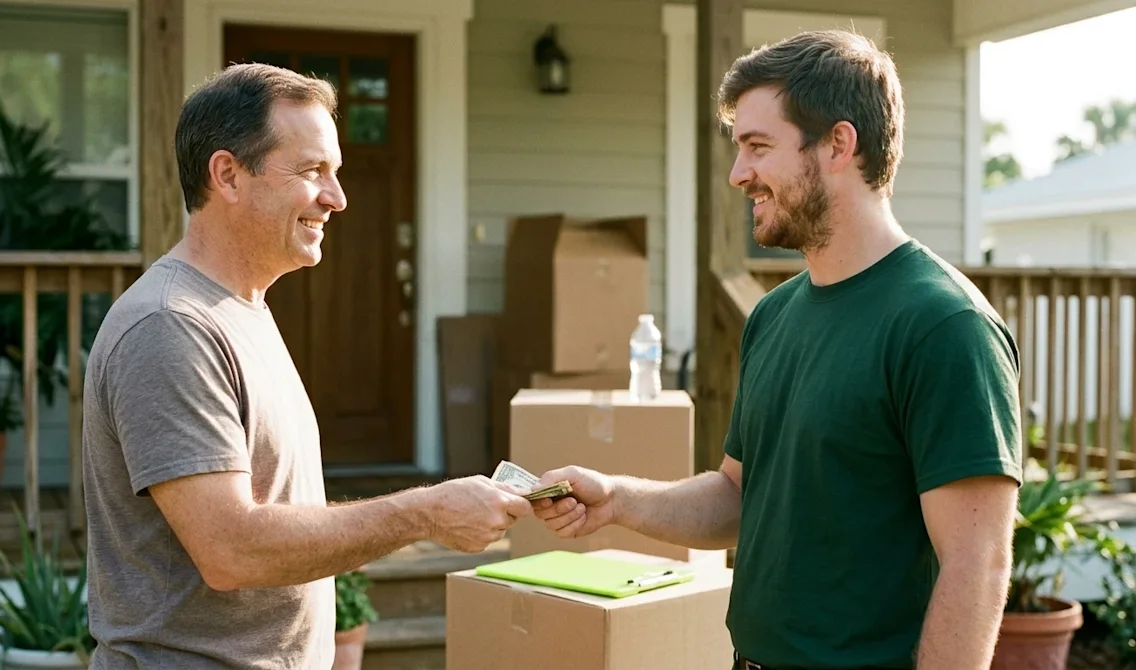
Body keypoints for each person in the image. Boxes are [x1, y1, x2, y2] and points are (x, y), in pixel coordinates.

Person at [532, 30, 1022, 670]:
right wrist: (617, 500)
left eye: (758, 147)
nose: (739, 174)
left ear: (839, 145)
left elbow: (976, 564)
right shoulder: (773, 315)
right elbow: (740, 496)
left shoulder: (943, 326)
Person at [81, 63, 531, 669]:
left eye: (336, 172)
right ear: (227, 175)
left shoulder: (243, 308)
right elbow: (231, 550)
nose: (337, 198)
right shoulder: (171, 326)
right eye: (312, 170)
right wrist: (425, 512)